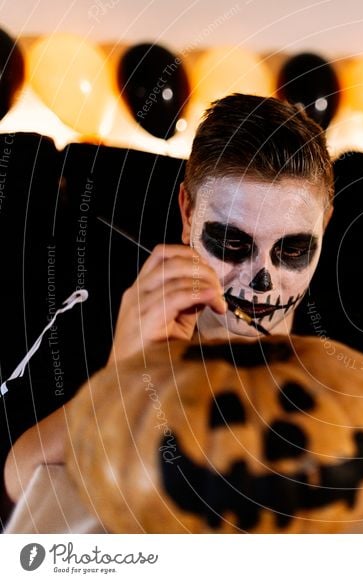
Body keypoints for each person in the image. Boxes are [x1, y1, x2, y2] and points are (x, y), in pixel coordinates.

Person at [4, 94, 334, 500]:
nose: (262, 280)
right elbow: (22, 483)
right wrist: (121, 385)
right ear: (188, 214)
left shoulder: (357, 349)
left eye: (292, 249)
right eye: (232, 242)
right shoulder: (116, 316)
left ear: (325, 223)